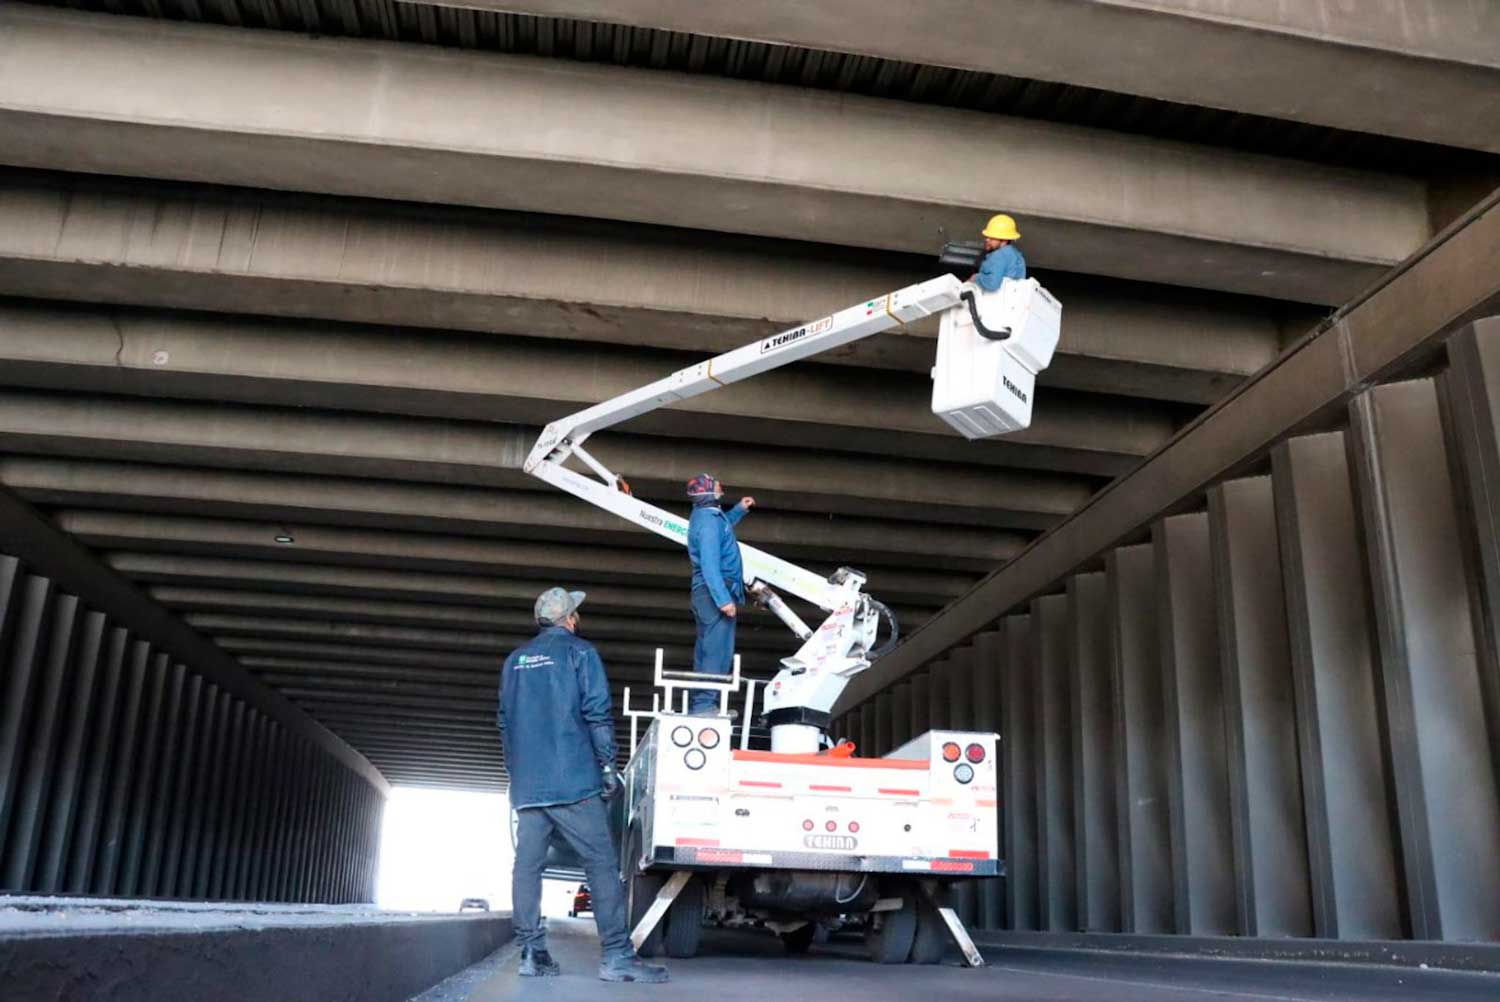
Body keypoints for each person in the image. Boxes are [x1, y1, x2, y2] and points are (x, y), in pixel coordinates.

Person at [498, 586, 669, 984]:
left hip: (528, 787)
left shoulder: (514, 661)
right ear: (570, 619)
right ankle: (616, 957)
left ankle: (532, 952)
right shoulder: (580, 653)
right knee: (601, 866)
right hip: (573, 782)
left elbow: (505, 724)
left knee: (527, 867)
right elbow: (596, 712)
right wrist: (608, 766)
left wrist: (517, 773)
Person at [685, 474, 754, 714]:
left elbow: (722, 531)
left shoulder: (708, 517)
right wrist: (724, 600)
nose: (719, 485)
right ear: (707, 492)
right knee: (717, 651)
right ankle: (705, 705)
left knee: (706, 650)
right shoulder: (707, 522)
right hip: (714, 593)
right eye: (714, 484)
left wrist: (738, 510)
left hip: (706, 594)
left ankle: (702, 703)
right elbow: (710, 565)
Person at [972, 213, 1026, 290]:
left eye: (992, 237)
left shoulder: (999, 256)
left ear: (1004, 240)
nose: (987, 239)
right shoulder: (1018, 257)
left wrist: (976, 278)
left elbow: (992, 284)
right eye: (988, 236)